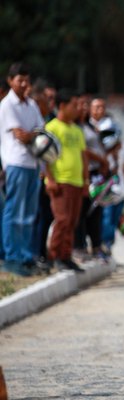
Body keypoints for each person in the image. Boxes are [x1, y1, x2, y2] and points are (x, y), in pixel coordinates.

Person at [0, 62, 45, 276]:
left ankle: (27, 256)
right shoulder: (7, 105)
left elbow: (39, 130)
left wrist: (31, 134)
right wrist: (31, 134)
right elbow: (22, 136)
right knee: (14, 211)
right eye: (20, 80)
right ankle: (12, 256)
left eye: (26, 80)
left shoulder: (31, 105)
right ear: (11, 81)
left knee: (29, 213)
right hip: (16, 162)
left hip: (33, 163)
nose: (24, 84)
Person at [43, 88, 88, 272]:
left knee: (72, 221)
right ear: (62, 106)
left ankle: (66, 255)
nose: (78, 109)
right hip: (60, 181)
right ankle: (55, 256)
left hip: (77, 182)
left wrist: (86, 181)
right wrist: (50, 179)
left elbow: (83, 156)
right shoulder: (52, 128)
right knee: (62, 220)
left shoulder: (77, 130)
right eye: (74, 105)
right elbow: (44, 156)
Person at [74, 94, 109, 261]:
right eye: (80, 105)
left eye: (85, 105)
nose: (83, 108)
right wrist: (101, 159)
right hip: (82, 173)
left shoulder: (89, 126)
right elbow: (84, 151)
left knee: (96, 211)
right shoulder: (76, 128)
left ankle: (96, 245)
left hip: (96, 174)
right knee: (81, 212)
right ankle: (79, 246)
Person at [29, 78, 57, 272]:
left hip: (44, 173)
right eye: (46, 99)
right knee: (35, 216)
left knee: (46, 216)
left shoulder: (50, 119)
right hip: (35, 173)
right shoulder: (32, 119)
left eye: (52, 99)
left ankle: (40, 252)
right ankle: (34, 253)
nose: (50, 103)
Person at [97, 117, 124, 256]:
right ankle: (102, 247)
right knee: (106, 219)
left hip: (120, 189)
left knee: (115, 221)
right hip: (105, 189)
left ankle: (108, 248)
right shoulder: (99, 147)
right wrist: (109, 153)